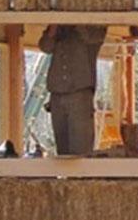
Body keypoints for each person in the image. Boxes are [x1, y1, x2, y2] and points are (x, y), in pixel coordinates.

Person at [39, 24, 107, 156]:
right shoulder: (59, 29)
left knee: (81, 150)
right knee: (62, 150)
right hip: (57, 94)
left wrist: (75, 21)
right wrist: (53, 28)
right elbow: (45, 46)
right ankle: (66, 176)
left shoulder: (94, 27)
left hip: (79, 93)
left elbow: (93, 38)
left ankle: (81, 177)